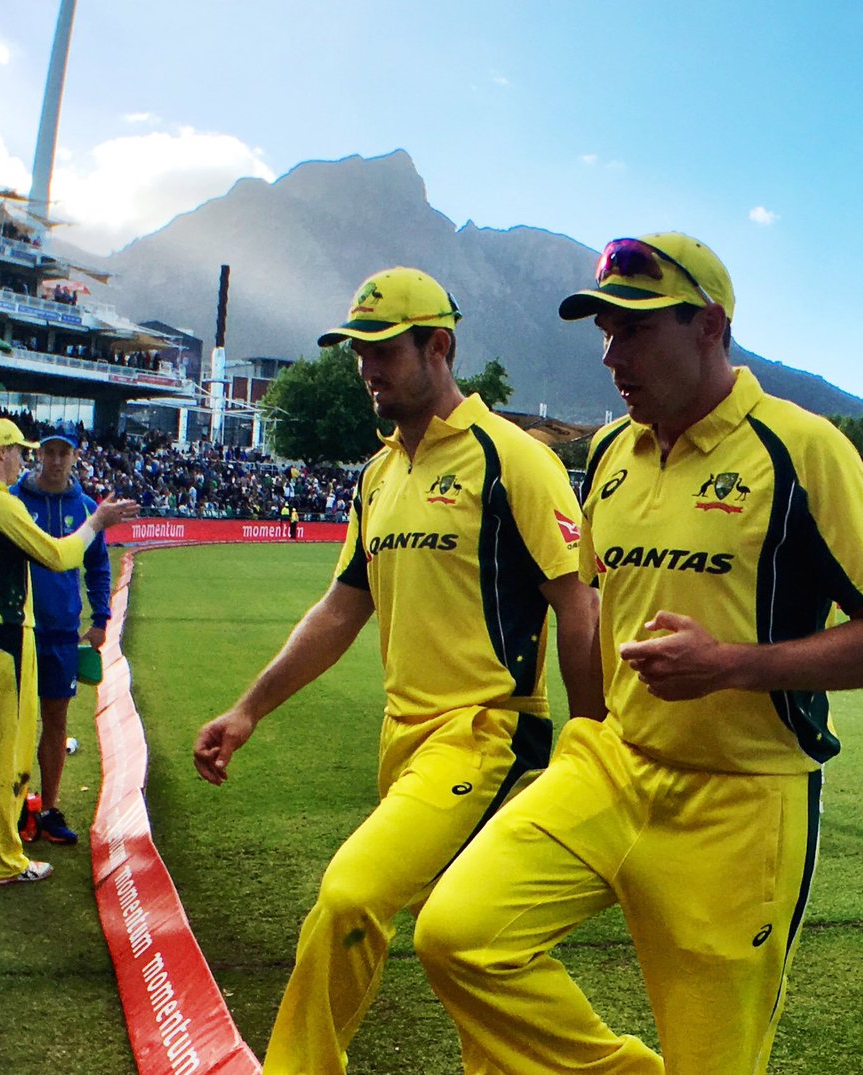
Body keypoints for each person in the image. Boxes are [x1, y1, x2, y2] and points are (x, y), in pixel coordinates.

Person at [414, 232, 863, 1073]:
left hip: (741, 802)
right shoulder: (611, 452)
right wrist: (588, 731)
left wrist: (730, 663)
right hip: (612, 767)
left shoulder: (801, 449)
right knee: (459, 935)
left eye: (637, 330)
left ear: (711, 327)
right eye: (605, 330)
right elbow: (594, 602)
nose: (613, 355)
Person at [190, 267, 602, 1074]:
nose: (366, 369)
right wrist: (247, 711)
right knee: (474, 948)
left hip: (489, 735)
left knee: (350, 894)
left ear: (438, 346)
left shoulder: (510, 457)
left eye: (381, 350)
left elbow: (578, 604)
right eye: (357, 353)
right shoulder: (378, 475)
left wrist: (588, 751)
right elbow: (342, 608)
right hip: (405, 741)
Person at [0, 418, 137, 885]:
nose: (24, 461)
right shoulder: (0, 503)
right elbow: (59, 556)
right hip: (2, 638)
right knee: (3, 752)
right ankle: (5, 858)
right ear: (3, 453)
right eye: (20, 452)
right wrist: (96, 522)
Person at [14, 433, 112, 845]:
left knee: (56, 722)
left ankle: (49, 809)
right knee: (12, 723)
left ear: (74, 457)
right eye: (49, 452)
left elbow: (98, 567)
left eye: (63, 453)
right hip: (17, 630)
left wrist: (101, 617)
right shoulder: (14, 501)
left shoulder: (86, 509)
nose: (56, 460)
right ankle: (14, 808)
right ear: (38, 455)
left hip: (61, 633)